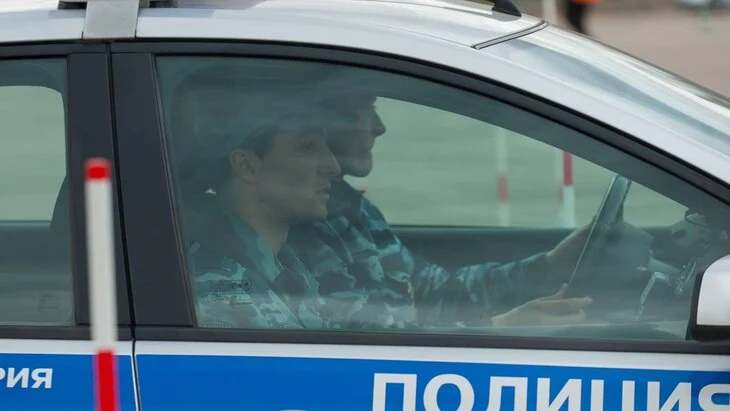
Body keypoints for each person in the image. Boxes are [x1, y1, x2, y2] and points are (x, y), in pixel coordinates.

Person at [289, 88, 593, 329]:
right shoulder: (304, 226)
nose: (379, 127)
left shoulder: (349, 207)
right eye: (363, 110)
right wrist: (502, 327)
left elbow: (429, 289)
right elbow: (375, 346)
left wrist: (548, 266)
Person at [169, 66, 344, 329]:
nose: (333, 166)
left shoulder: (281, 266)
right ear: (247, 165)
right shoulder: (220, 294)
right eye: (308, 147)